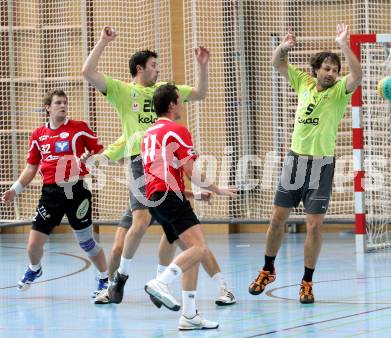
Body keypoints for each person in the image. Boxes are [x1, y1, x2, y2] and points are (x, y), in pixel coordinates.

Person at [82, 26, 210, 303]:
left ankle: (159, 283)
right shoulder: (123, 92)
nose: (158, 70)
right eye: (153, 66)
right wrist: (103, 42)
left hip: (167, 167)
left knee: (174, 234)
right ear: (139, 68)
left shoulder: (164, 94)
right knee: (138, 223)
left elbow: (199, 93)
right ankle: (120, 280)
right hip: (141, 162)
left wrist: (202, 66)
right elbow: (88, 73)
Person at [248, 23, 362, 303]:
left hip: (322, 165)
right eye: (326, 68)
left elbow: (357, 75)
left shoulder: (339, 93)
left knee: (314, 226)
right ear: (316, 70)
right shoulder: (303, 82)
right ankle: (268, 268)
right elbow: (276, 62)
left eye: (335, 70)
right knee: (277, 220)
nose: (331, 73)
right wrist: (283, 47)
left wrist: (343, 45)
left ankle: (307, 282)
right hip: (295, 160)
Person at [92, 136, 235, 306]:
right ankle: (112, 287)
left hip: (163, 201)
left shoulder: (163, 145)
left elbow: (171, 186)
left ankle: (223, 288)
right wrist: (91, 158)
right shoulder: (130, 145)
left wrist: (196, 194)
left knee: (195, 247)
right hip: (138, 205)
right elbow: (105, 158)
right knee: (117, 249)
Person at [142, 83, 237, 330]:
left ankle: (190, 315)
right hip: (169, 196)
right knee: (199, 248)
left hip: (156, 198)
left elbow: (157, 177)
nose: (182, 104)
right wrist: (218, 189)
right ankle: (161, 282)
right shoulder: (177, 130)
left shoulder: (148, 134)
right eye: (180, 100)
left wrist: (192, 194)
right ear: (172, 104)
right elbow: (190, 170)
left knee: (191, 254)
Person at [1, 89, 109, 296]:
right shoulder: (38, 135)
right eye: (58, 102)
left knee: (87, 243)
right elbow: (31, 167)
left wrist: (90, 159)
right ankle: (35, 269)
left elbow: (100, 153)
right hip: (50, 194)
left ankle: (104, 278)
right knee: (33, 246)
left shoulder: (79, 128)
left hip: (76, 191)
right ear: (48, 107)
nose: (63, 105)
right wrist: (15, 190)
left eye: (65, 102)